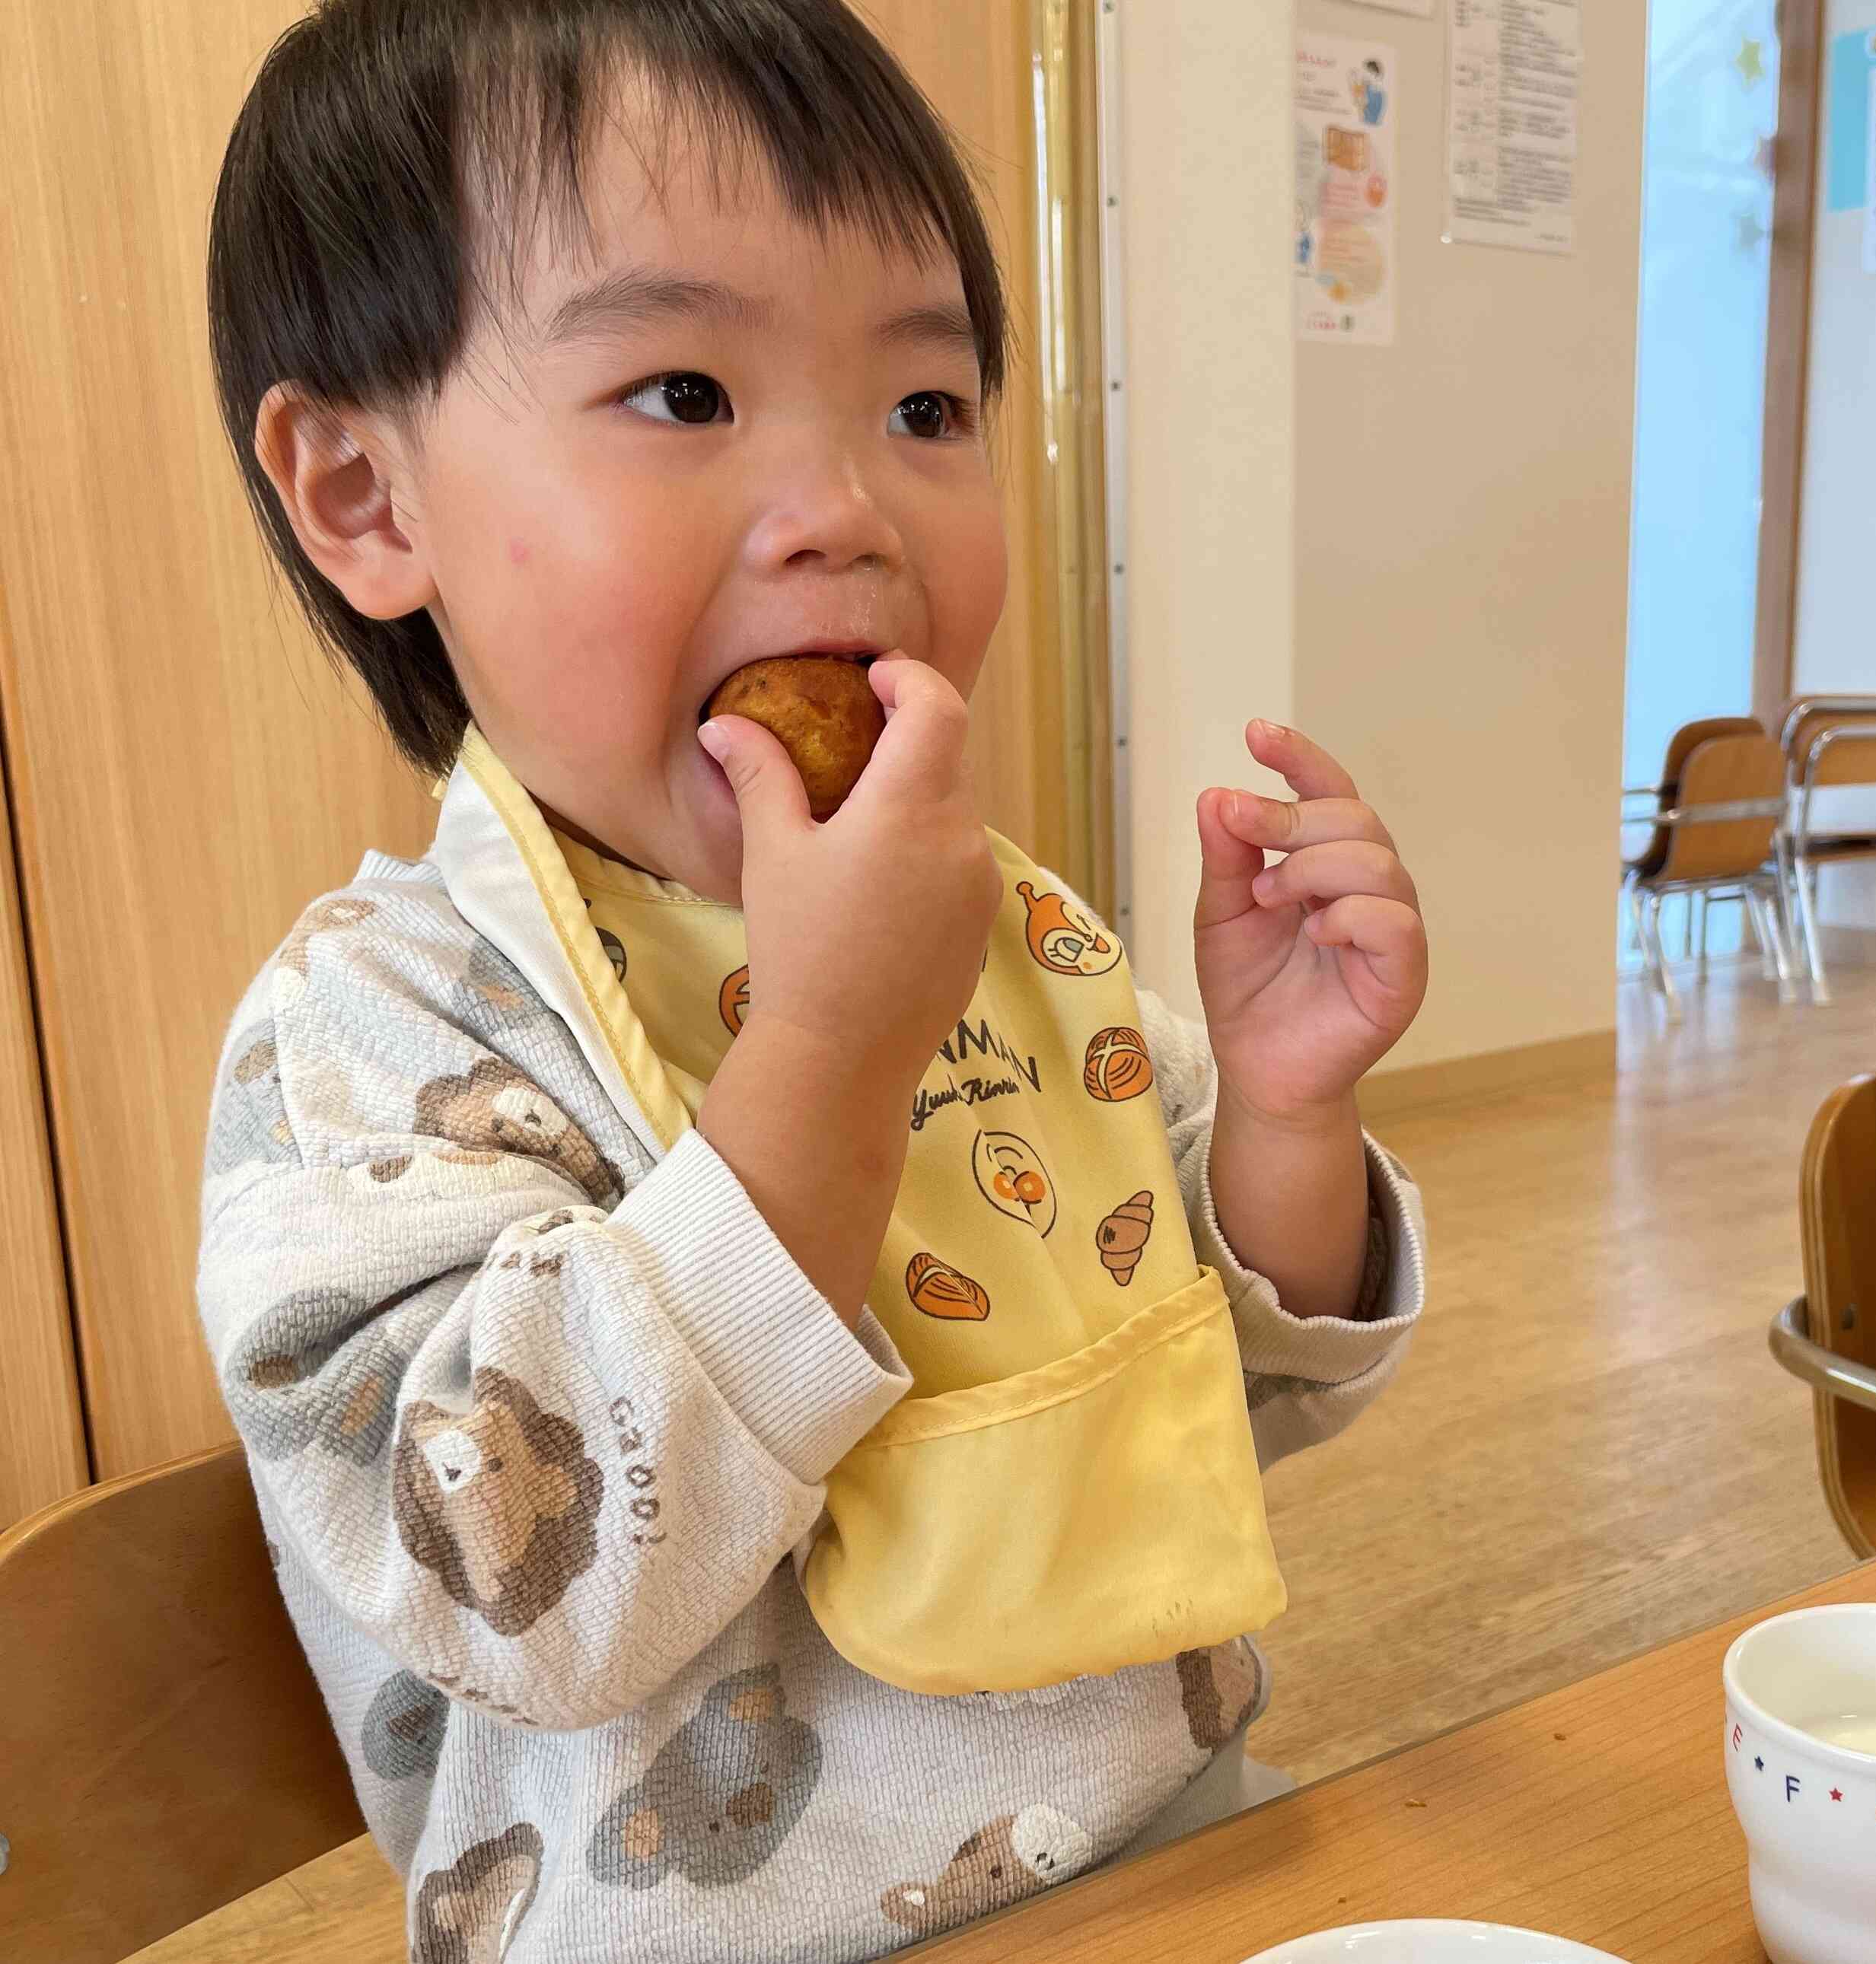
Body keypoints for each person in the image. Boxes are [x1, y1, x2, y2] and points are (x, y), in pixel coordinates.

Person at [195, 4, 1429, 1957]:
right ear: (366, 495)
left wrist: (1284, 1111)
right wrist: (835, 1053)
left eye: (924, 410)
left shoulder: (994, 930)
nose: (845, 505)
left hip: (1176, 1856)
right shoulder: (378, 1036)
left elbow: (1226, 1397)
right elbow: (527, 1588)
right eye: (684, 391)